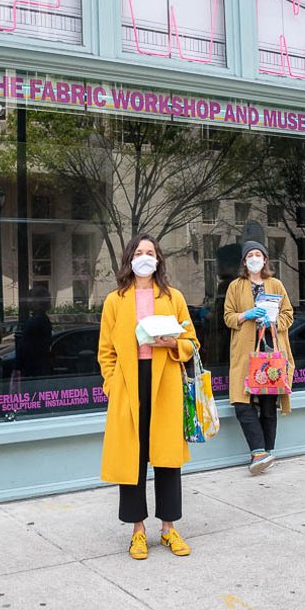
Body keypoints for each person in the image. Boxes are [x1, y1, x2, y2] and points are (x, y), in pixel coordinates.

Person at [98, 234, 199, 560]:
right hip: (129, 386)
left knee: (167, 460)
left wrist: (173, 345)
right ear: (130, 259)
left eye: (150, 252)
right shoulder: (115, 300)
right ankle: (137, 531)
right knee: (132, 460)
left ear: (158, 260)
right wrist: (112, 385)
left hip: (165, 383)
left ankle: (168, 528)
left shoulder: (174, 298)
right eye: (139, 252)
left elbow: (192, 343)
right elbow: (105, 353)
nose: (145, 257)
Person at [223, 240, 295, 474]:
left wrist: (274, 322)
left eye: (258, 254)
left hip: (271, 352)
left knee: (267, 405)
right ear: (244, 262)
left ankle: (266, 453)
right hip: (245, 354)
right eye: (249, 255)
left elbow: (288, 315)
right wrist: (246, 315)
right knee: (241, 403)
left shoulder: (276, 284)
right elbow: (228, 317)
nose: (254, 258)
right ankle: (259, 451)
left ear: (265, 260)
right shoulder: (235, 286)